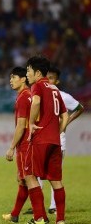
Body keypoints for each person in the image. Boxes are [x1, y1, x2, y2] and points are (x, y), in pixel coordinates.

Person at [24, 55, 69, 224]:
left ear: (37, 72)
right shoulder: (54, 89)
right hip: (55, 141)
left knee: (29, 175)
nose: (27, 74)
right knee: (56, 181)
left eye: (28, 70)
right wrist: (58, 131)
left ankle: (39, 218)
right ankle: (60, 220)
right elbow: (64, 115)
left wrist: (31, 124)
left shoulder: (37, 86)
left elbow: (35, 102)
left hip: (40, 139)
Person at [44, 66, 84, 214]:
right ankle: (37, 205)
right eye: (46, 77)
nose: (48, 80)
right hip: (44, 139)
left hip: (58, 140)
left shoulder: (63, 96)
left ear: (57, 80)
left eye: (51, 78)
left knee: (54, 175)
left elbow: (80, 107)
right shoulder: (41, 94)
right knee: (38, 173)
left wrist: (66, 123)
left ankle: (54, 206)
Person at [2, 67, 31, 223]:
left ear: (23, 79)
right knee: (25, 180)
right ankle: (14, 214)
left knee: (27, 180)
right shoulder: (30, 95)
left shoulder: (23, 97)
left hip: (25, 144)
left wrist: (12, 147)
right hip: (31, 143)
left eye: (14, 77)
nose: (11, 80)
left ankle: (41, 216)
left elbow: (21, 126)